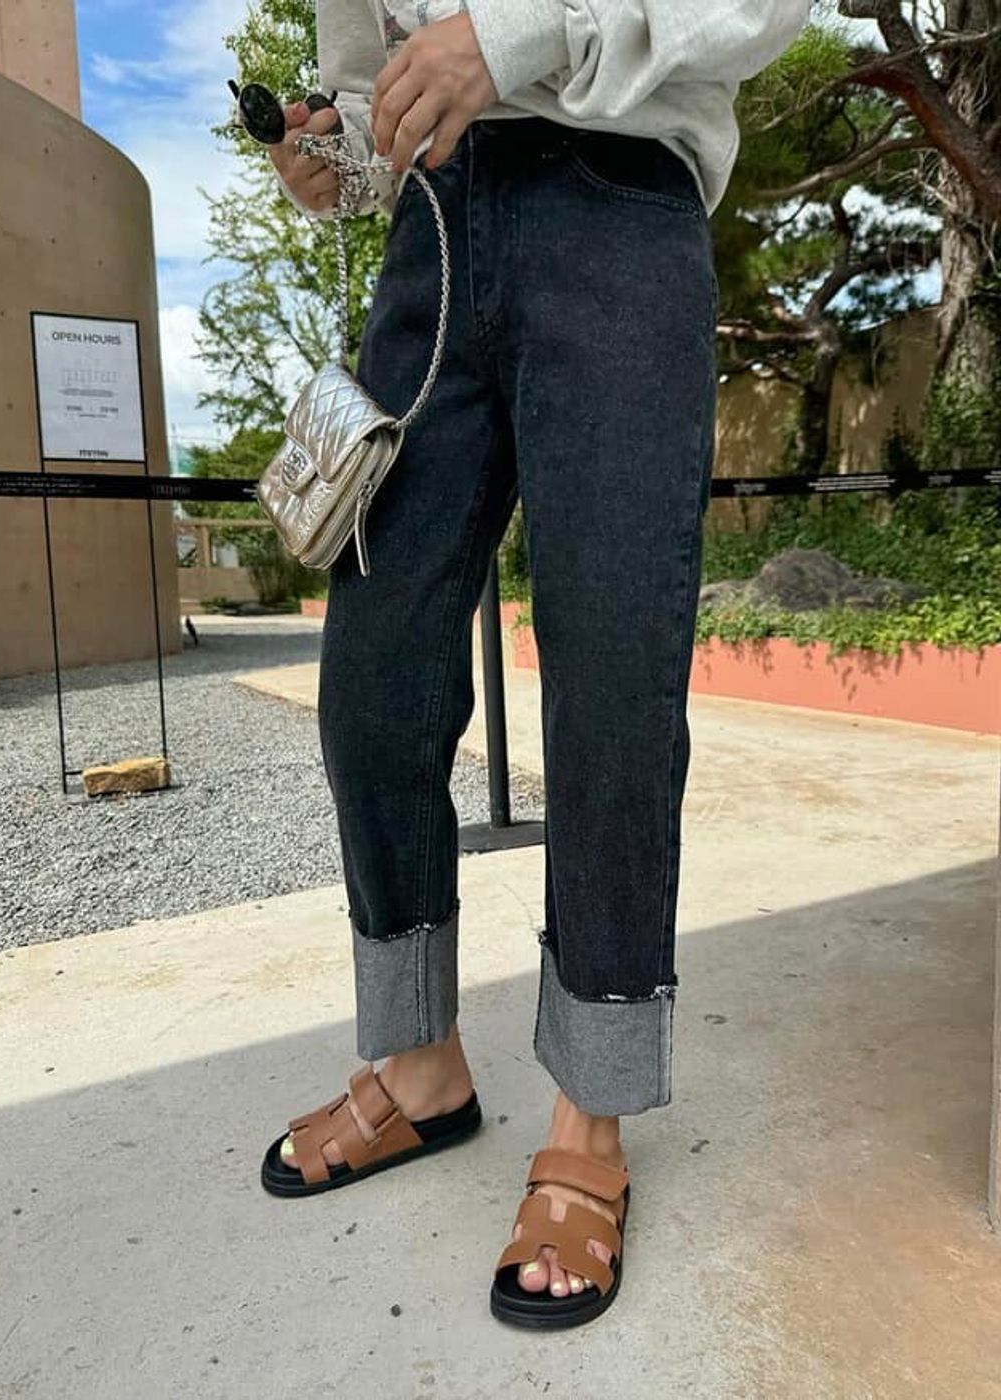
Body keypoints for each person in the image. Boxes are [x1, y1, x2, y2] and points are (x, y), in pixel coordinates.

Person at [260, 0, 810, 1329]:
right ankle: (422, 1067)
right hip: (435, 236)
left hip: (618, 195)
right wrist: (343, 150)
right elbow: (375, 81)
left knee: (610, 677)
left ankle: (590, 1115)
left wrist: (511, 36)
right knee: (375, 678)